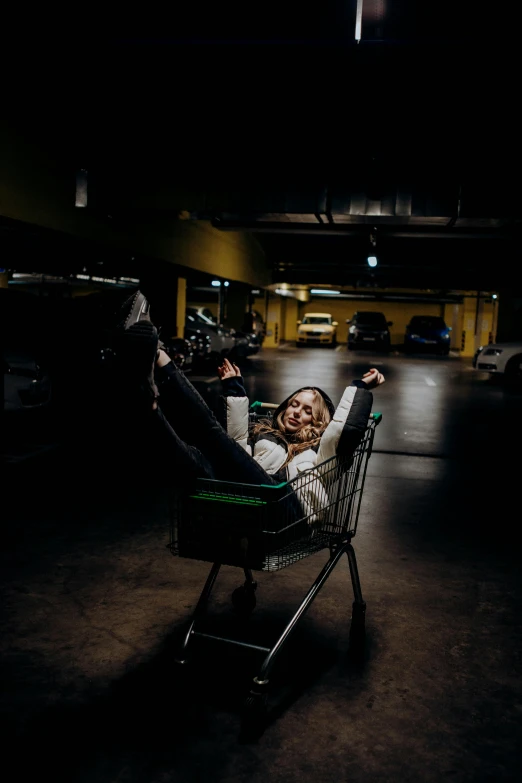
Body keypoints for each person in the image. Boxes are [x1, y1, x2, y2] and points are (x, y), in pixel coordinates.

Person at [111, 290, 385, 524]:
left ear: (318, 422)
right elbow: (237, 447)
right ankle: (148, 402)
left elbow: (345, 429)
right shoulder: (267, 435)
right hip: (248, 500)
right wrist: (235, 389)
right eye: (293, 404)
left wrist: (361, 387)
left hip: (288, 508)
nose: (295, 411)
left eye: (306, 411)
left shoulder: (322, 452)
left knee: (212, 436)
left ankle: (157, 354)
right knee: (191, 460)